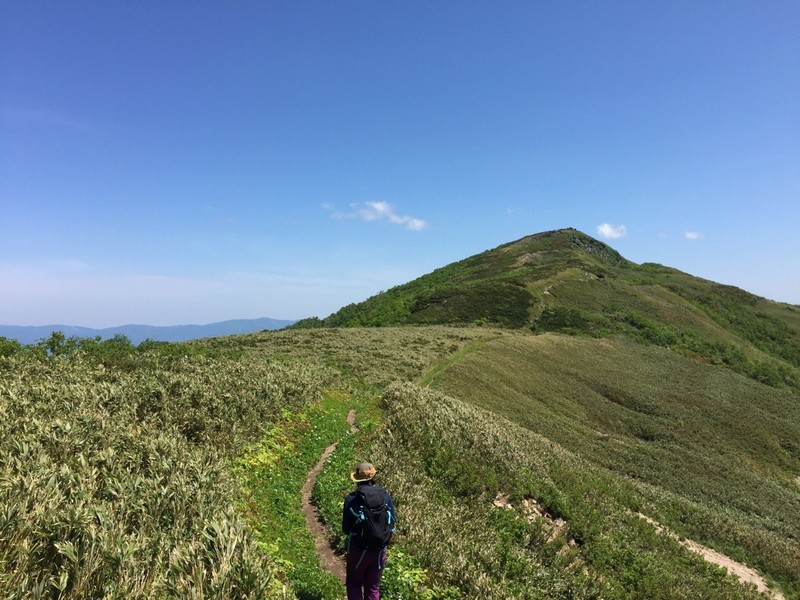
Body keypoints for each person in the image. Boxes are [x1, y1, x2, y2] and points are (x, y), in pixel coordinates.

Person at [342, 462, 396, 600]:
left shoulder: (351, 499)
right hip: (379, 550)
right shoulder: (385, 497)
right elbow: (392, 522)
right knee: (373, 586)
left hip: (358, 549)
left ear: (357, 480)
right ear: (373, 477)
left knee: (354, 584)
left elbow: (346, 529)